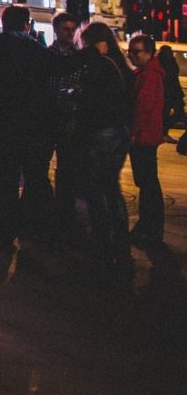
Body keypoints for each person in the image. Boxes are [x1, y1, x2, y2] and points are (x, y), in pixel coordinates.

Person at [0, 5, 55, 246]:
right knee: (34, 176)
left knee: (6, 179)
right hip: (31, 123)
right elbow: (54, 74)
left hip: (0, 124)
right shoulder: (34, 48)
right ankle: (30, 226)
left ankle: (6, 230)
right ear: (26, 24)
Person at [74, 21, 133, 279]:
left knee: (97, 189)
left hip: (102, 132)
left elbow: (91, 104)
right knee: (111, 187)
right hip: (120, 132)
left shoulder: (99, 66)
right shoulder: (121, 67)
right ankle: (120, 243)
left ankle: (103, 243)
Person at [46, 11, 87, 233]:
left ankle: (65, 211)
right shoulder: (46, 54)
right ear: (56, 31)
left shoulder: (79, 57)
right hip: (48, 116)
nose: (70, 33)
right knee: (41, 164)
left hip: (69, 117)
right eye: (66, 29)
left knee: (67, 166)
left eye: (73, 29)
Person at [127, 33, 165, 248]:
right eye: (130, 51)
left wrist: (133, 133)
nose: (132, 55)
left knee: (147, 183)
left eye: (137, 52)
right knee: (148, 182)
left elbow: (143, 107)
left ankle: (150, 228)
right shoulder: (145, 72)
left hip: (144, 137)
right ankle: (150, 227)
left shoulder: (149, 75)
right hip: (146, 135)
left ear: (149, 53)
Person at [156, 44, 184, 141]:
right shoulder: (165, 63)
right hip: (170, 92)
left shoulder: (168, 62)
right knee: (169, 113)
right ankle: (163, 133)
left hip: (172, 92)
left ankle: (163, 132)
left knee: (174, 113)